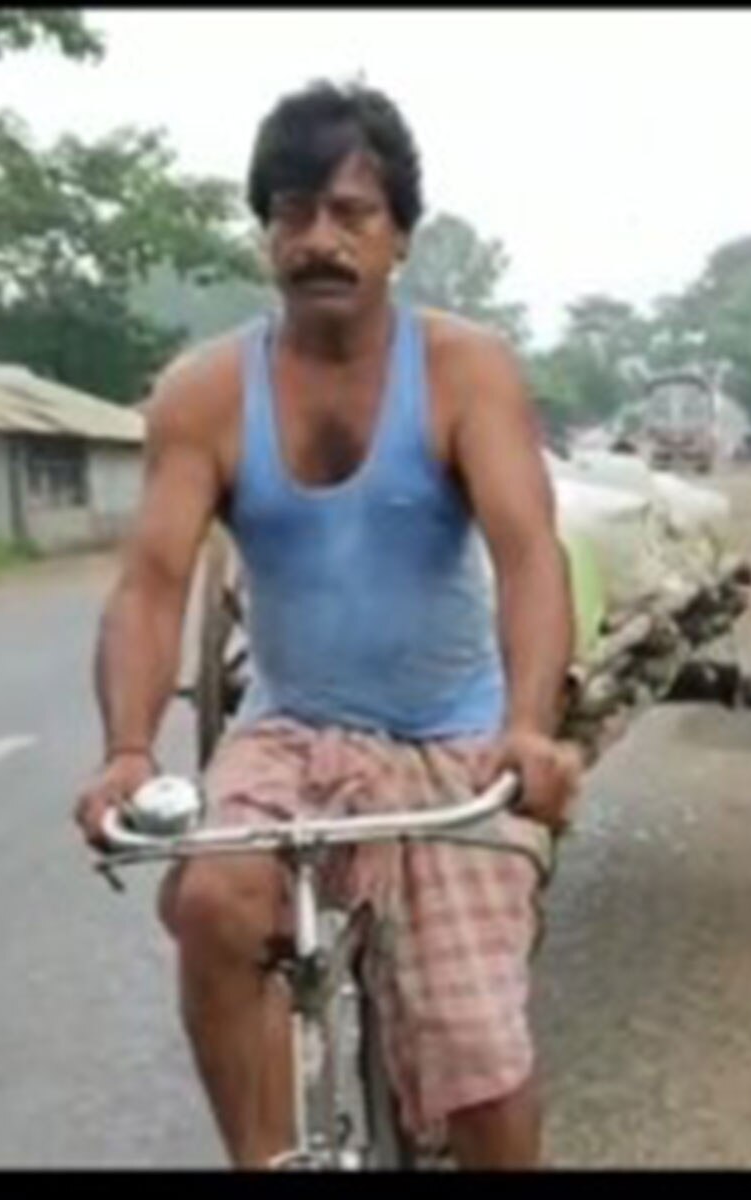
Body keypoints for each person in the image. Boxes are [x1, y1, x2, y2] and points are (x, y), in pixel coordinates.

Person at [74, 80, 581, 1169]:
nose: (320, 240)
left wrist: (530, 729)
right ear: (266, 235)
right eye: (293, 212)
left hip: (452, 742)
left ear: (400, 236)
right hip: (291, 732)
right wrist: (127, 753)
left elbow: (530, 555)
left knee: (479, 1062)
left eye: (351, 213)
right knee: (212, 903)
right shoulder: (204, 393)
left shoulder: (465, 371)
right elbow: (151, 586)